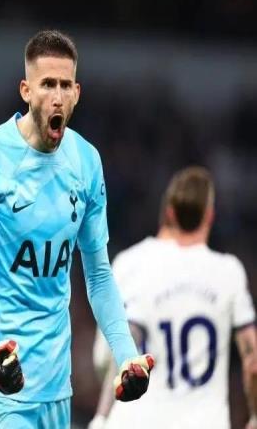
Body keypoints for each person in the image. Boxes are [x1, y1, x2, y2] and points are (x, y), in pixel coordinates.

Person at [0, 29, 154, 428]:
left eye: (64, 85)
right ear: (26, 91)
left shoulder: (86, 162)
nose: (56, 96)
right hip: (0, 391)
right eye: (47, 85)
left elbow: (98, 275)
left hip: (56, 390)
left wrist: (127, 354)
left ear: (77, 93)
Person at [88, 166, 257, 429]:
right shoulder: (229, 272)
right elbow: (252, 362)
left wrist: (102, 416)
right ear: (209, 216)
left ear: (169, 212)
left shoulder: (131, 264)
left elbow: (105, 358)